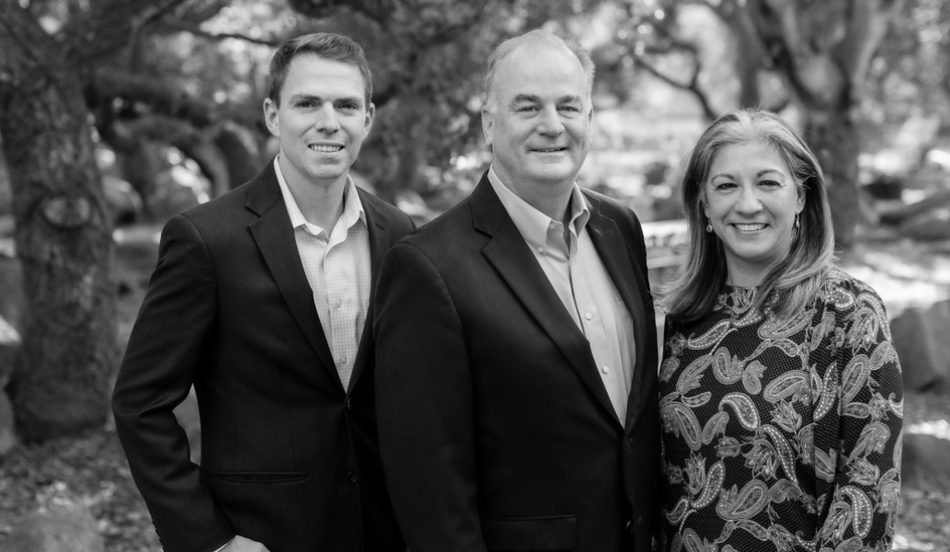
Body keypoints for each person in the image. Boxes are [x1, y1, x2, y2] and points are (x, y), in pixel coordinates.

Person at [111, 33, 413, 552]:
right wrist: (210, 540)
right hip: (261, 535)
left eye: (345, 105)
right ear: (273, 115)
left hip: (383, 532)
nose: (329, 121)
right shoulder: (206, 239)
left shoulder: (399, 234)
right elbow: (141, 405)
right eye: (307, 103)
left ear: (367, 118)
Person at [373, 29, 659, 552]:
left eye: (568, 106)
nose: (552, 125)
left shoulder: (621, 228)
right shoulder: (427, 267)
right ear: (489, 122)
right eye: (528, 107)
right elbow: (429, 484)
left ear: (589, 116)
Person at [657, 109, 903, 552]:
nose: (748, 204)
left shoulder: (848, 313)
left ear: (801, 197)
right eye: (726, 185)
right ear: (704, 204)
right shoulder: (683, 317)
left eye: (767, 183)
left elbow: (869, 489)